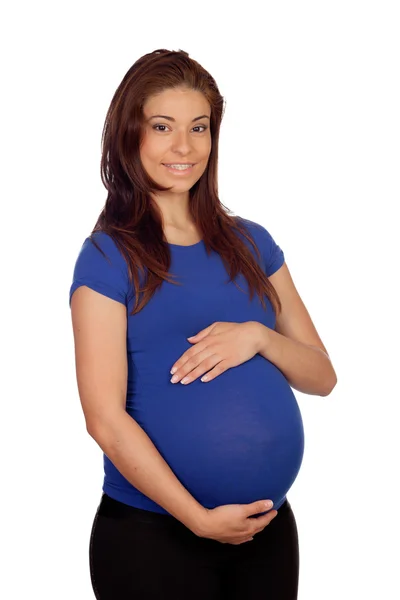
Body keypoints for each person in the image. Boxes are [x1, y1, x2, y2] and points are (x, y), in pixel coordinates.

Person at [69, 48, 337, 600]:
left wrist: (258, 337)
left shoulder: (252, 243)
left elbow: (321, 376)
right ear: (130, 136)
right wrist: (197, 518)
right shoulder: (107, 257)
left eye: (199, 127)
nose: (184, 148)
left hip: (267, 530)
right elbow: (103, 418)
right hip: (154, 537)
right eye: (162, 127)